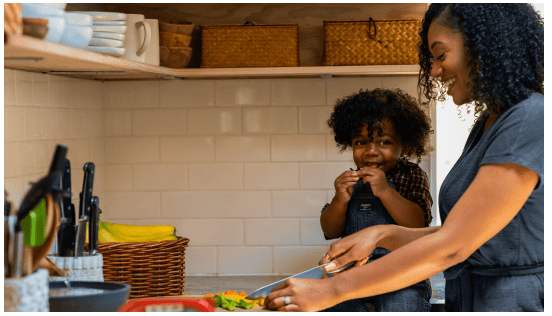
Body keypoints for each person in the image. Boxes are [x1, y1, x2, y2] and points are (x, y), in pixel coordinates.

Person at [265, 3, 543, 312]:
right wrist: (382, 234)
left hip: (512, 301)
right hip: (473, 296)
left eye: (440, 55)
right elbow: (471, 234)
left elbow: (454, 247)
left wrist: (333, 289)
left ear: (484, 48)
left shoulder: (529, 119)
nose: (434, 70)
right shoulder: (490, 123)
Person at [320, 88, 433, 312]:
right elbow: (330, 230)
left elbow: (418, 224)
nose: (371, 151)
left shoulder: (411, 175)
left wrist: (385, 191)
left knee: (402, 305)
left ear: (405, 145)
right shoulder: (350, 181)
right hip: (353, 275)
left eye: (385, 142)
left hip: (403, 276)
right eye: (361, 143)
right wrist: (340, 200)